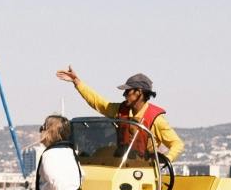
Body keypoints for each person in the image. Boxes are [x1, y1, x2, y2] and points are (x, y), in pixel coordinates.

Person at [55, 67, 184, 162]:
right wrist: (77, 82)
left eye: (127, 91)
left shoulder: (157, 119)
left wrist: (165, 160)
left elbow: (177, 144)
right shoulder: (120, 110)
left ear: (139, 92)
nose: (124, 94)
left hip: (144, 170)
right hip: (121, 165)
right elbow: (98, 103)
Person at [32, 114, 84, 190]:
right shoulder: (71, 152)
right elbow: (82, 175)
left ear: (50, 132)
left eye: (43, 128)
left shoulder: (50, 155)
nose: (40, 131)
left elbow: (59, 181)